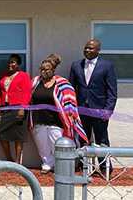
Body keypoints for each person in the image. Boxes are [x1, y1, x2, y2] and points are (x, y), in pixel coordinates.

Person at [30, 54, 88, 174]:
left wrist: (71, 114)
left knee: (57, 143)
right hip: (38, 118)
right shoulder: (35, 82)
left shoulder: (62, 83)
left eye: (46, 69)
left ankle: (60, 166)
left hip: (56, 120)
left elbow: (70, 100)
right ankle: (47, 164)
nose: (43, 72)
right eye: (41, 69)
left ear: (53, 70)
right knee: (42, 145)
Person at [69, 39, 117, 174]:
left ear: (98, 50)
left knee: (101, 139)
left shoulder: (107, 66)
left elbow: (112, 92)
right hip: (81, 110)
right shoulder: (76, 66)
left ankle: (105, 168)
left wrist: (108, 110)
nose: (88, 50)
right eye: (86, 48)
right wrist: (72, 109)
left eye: (91, 48)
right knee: (84, 139)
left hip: (99, 111)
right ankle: (85, 167)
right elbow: (71, 89)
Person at [0, 54, 31, 163]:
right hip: (5, 108)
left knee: (18, 136)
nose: (10, 64)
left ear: (18, 64)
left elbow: (27, 93)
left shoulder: (24, 76)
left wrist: (23, 108)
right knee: (2, 135)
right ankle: (9, 159)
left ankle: (17, 162)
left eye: (13, 62)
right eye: (9, 62)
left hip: (18, 108)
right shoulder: (3, 75)